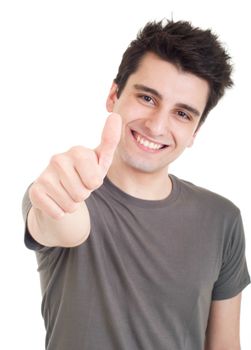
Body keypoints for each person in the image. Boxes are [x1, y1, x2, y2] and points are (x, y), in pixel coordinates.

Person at [23, 19, 250, 350]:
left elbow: (225, 344)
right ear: (114, 95)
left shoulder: (222, 218)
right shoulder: (67, 190)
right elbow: (59, 223)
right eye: (147, 98)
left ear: (195, 132)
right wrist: (57, 200)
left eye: (183, 114)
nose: (157, 126)